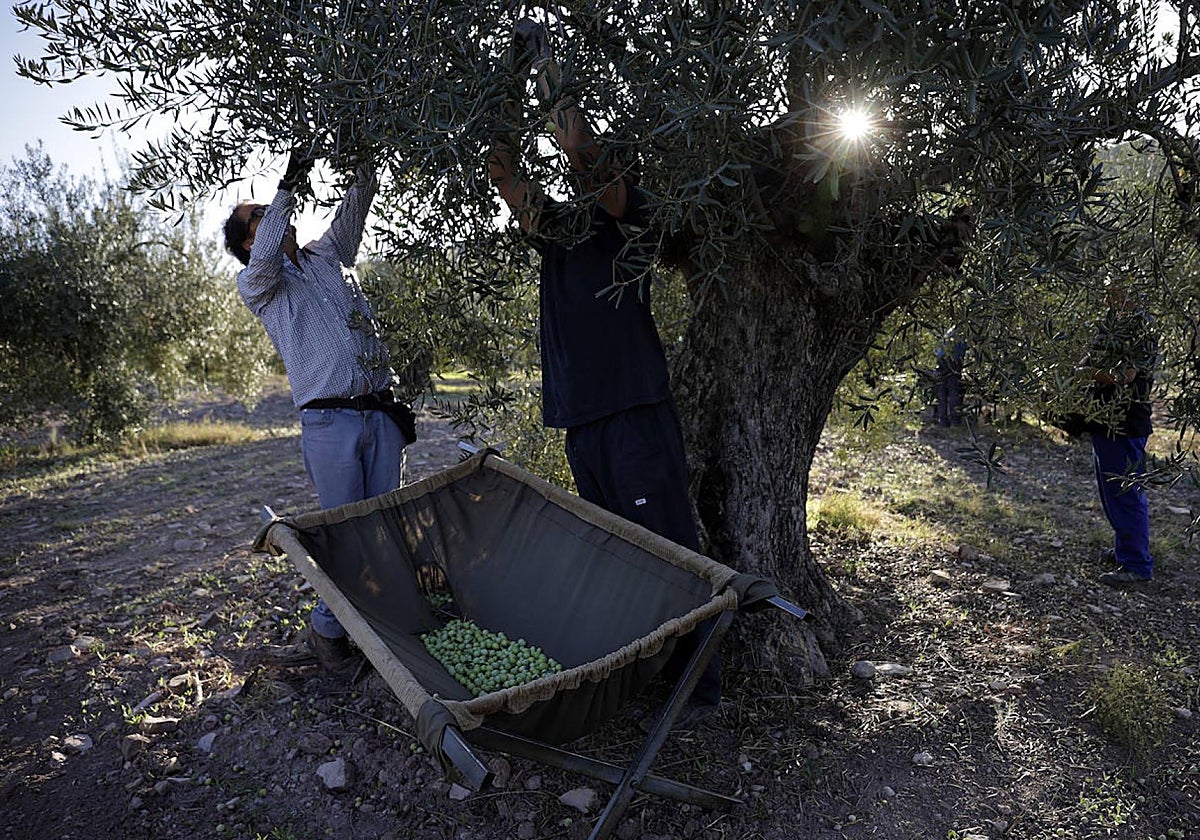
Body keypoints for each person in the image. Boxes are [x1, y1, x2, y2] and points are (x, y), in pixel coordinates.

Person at [488, 19, 720, 728]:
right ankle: (648, 678)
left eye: (600, 170)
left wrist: (551, 66)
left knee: (669, 551)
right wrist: (507, 78)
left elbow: (583, 153)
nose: (583, 175)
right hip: (582, 419)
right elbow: (503, 173)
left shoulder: (634, 218)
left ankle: (700, 690)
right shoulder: (557, 232)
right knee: (622, 556)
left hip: (633, 412)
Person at [224, 152, 414, 677]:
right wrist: (287, 184)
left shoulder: (328, 256)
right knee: (346, 533)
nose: (275, 215)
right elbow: (266, 254)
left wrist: (364, 159)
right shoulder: (260, 285)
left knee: (383, 528)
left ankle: (381, 629)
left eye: (273, 208)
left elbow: (354, 209)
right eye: (260, 215)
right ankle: (328, 633)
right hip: (330, 425)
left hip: (378, 413)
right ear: (248, 242)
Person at [1082, 284, 1157, 587]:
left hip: (1125, 424)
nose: (1108, 297)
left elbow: (1126, 376)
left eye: (1114, 292)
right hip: (1106, 422)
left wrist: (1085, 371)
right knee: (1112, 493)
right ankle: (1125, 551)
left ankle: (1137, 564)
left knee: (1126, 493)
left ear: (1132, 294)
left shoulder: (1139, 331)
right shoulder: (1118, 325)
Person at [934, 327, 967, 427]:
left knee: (942, 394)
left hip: (942, 363)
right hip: (954, 363)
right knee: (954, 393)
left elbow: (939, 352)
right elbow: (963, 351)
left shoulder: (947, 335)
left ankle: (943, 421)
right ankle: (955, 421)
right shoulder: (960, 336)